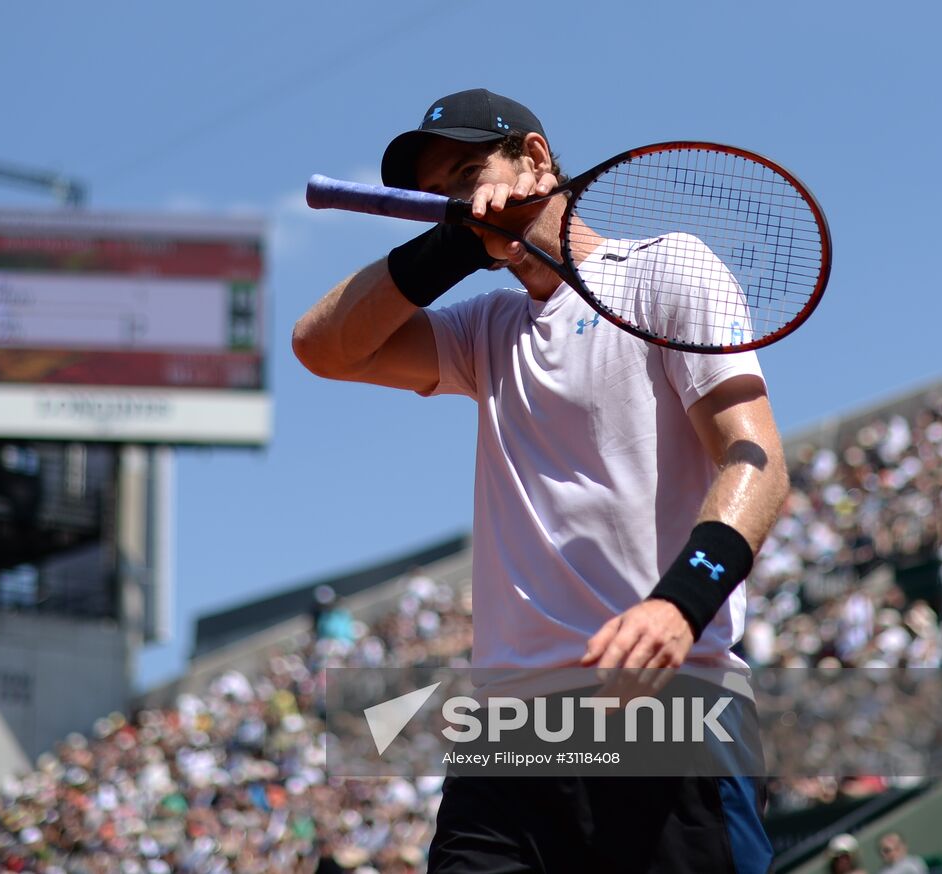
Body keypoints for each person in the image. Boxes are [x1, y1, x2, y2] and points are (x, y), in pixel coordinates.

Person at [293, 88, 789, 873]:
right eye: (438, 198)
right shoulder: (485, 331)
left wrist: (680, 603)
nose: (454, 202)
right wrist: (457, 241)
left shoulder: (665, 268)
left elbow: (756, 459)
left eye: (466, 174)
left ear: (533, 157)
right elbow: (322, 347)